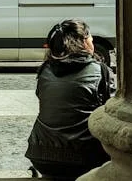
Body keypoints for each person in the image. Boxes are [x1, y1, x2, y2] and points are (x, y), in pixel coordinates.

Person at [25, 18, 116, 180]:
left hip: (40, 153)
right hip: (84, 156)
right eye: (91, 39)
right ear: (84, 42)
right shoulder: (100, 71)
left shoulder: (45, 70)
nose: (92, 42)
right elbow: (112, 109)